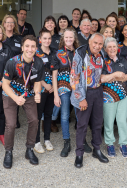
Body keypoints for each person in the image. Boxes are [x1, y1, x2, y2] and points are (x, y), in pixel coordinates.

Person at [2, 35, 43, 168]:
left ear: (36, 48)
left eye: (32, 46)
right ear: (22, 47)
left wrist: (37, 93)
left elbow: (37, 83)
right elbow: (5, 85)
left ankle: (29, 149)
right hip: (11, 94)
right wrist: (15, 97)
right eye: (27, 46)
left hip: (28, 94)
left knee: (34, 120)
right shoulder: (12, 62)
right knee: (11, 124)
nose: (30, 49)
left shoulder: (38, 62)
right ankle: (8, 152)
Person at [71, 33, 108, 168]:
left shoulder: (101, 54)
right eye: (95, 43)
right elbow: (74, 78)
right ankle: (79, 153)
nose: (97, 46)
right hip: (84, 93)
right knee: (82, 125)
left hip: (98, 91)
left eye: (100, 44)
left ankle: (96, 149)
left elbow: (102, 73)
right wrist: (81, 98)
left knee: (98, 123)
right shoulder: (80, 54)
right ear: (89, 41)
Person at [51, 27, 80, 157]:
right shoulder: (57, 53)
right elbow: (54, 76)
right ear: (63, 39)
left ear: (74, 39)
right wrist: (56, 95)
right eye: (66, 37)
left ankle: (82, 140)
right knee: (64, 115)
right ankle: (66, 141)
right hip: (63, 86)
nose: (68, 39)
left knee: (79, 114)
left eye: (71, 37)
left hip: (77, 87)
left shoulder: (79, 53)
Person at [101, 37, 127, 158]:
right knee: (108, 122)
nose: (112, 49)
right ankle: (109, 144)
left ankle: (123, 144)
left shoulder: (123, 60)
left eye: (114, 46)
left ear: (117, 48)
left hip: (123, 96)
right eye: (109, 47)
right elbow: (101, 78)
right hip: (108, 97)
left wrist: (112, 78)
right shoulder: (103, 61)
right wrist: (116, 75)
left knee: (122, 121)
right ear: (105, 49)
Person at [34, 28, 56, 154]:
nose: (47, 40)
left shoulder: (54, 52)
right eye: (44, 38)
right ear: (40, 39)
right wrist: (45, 85)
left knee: (48, 114)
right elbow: (34, 72)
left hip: (52, 89)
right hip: (40, 89)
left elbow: (56, 70)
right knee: (37, 115)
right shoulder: (36, 52)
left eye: (49, 38)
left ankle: (47, 139)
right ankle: (36, 142)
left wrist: (52, 86)